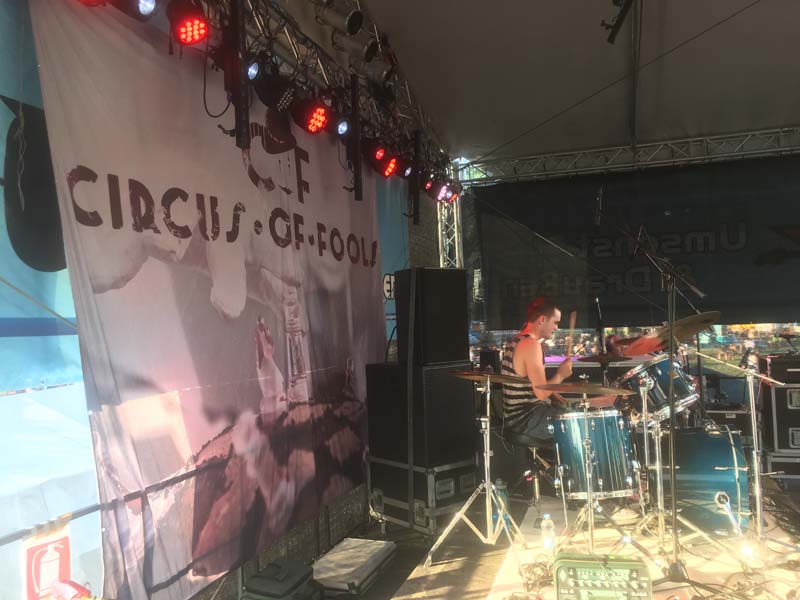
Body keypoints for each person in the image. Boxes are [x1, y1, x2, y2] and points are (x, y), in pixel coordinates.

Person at [501, 297, 573, 446]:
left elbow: (527, 384)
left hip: (516, 419)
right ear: (542, 320)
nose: (557, 328)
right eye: (555, 322)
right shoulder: (530, 344)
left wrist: (553, 394)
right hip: (526, 420)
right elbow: (541, 393)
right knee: (580, 423)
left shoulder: (516, 340)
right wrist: (560, 375)